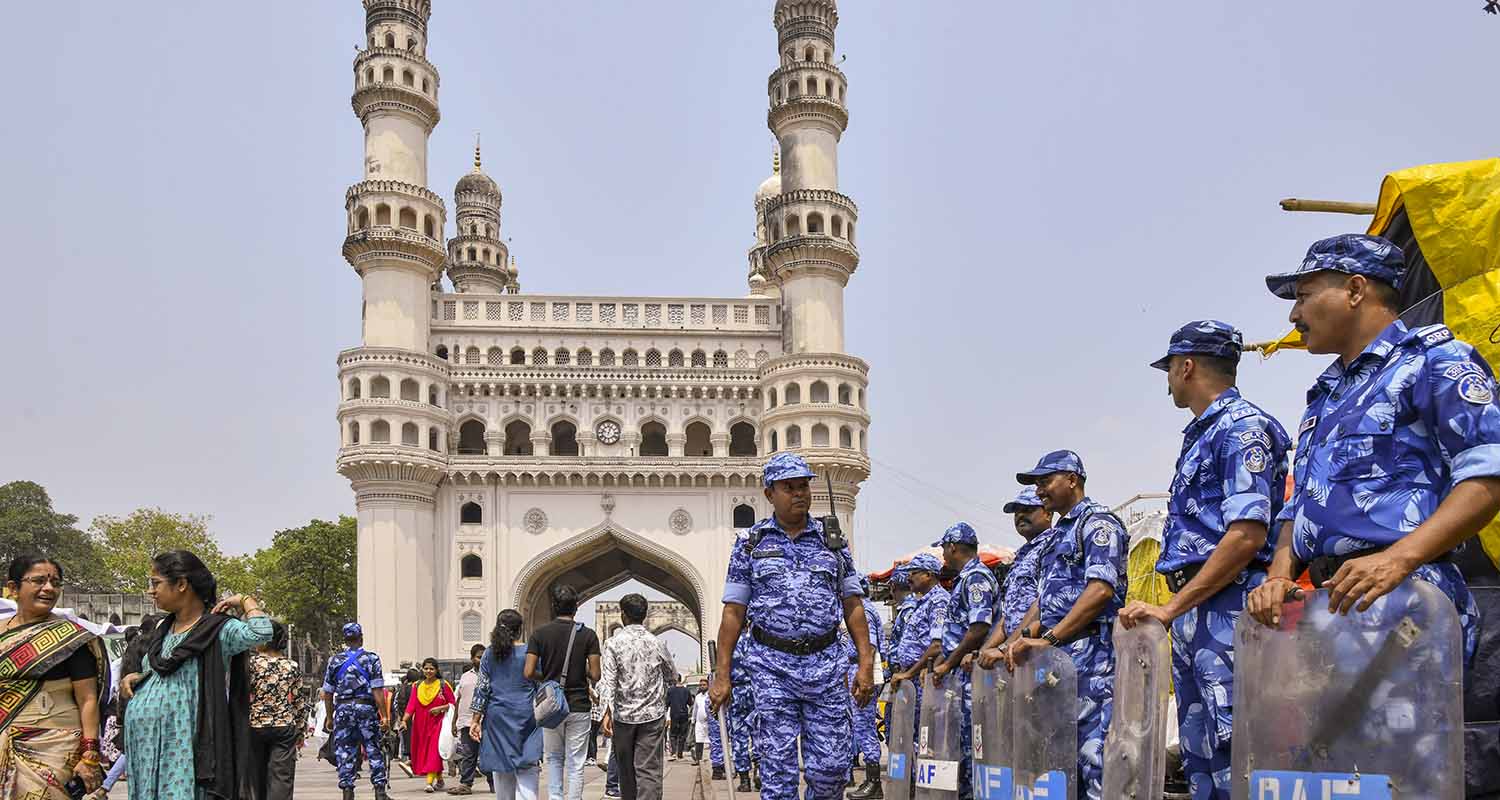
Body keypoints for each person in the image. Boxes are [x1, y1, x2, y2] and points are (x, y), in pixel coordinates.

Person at [1248, 235, 1500, 649]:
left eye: (1304, 295)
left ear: (1355, 290)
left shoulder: (1435, 362)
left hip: (1407, 600)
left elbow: (1487, 476)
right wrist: (1278, 576)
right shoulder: (1326, 396)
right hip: (1331, 607)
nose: (1294, 313)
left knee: (1401, 718)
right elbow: (1301, 506)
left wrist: (1397, 559)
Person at [1116, 320, 1292, 800]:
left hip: (1230, 604)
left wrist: (1171, 609)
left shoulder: (1241, 429)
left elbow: (1245, 534)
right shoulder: (1202, 434)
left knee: (1241, 748)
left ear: (1186, 366)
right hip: (1198, 606)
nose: (1169, 379)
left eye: (1170, 369)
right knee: (1201, 756)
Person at [712, 452, 875, 800]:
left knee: (832, 769)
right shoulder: (751, 544)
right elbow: (733, 614)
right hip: (771, 668)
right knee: (777, 772)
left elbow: (852, 604)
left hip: (826, 667)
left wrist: (866, 662)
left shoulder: (832, 541)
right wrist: (722, 674)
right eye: (790, 487)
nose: (800, 494)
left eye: (804, 486)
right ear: (770, 493)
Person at [1001, 451, 1128, 800]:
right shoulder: (1057, 537)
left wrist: (1050, 638)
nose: (1040, 491)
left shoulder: (1098, 523)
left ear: (1072, 479)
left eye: (1045, 481)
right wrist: (1022, 639)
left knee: (1095, 761)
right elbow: (1049, 603)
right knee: (1059, 761)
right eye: (1037, 484)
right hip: (1058, 662)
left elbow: (1100, 589)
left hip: (1093, 659)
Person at [120, 549, 273, 800]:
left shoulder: (218, 630)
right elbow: (159, 667)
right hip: (145, 745)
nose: (151, 591)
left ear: (181, 584)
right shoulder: (163, 628)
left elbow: (261, 632)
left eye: (156, 583)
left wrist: (245, 600)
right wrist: (135, 677)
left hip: (182, 743)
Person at [0, 554, 107, 799]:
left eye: (55, 583)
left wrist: (90, 754)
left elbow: (88, 699)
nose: (49, 588)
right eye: (38, 581)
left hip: (54, 748)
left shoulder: (70, 639)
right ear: (13, 588)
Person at [927, 523, 997, 800]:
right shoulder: (964, 580)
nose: (943, 555)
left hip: (976, 676)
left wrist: (947, 664)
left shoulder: (976, 577)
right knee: (962, 749)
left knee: (974, 748)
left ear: (953, 547)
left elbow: (978, 628)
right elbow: (956, 633)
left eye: (944, 548)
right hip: (962, 674)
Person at [524, 585, 602, 800]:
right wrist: (579, 669)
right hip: (578, 705)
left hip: (551, 706)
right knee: (576, 762)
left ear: (553, 606)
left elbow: (529, 671)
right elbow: (595, 675)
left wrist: (549, 679)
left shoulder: (539, 634)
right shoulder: (588, 635)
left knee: (555, 759)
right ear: (576, 608)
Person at [598, 593, 675, 800]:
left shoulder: (613, 644)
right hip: (652, 716)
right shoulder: (656, 643)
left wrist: (606, 712)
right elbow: (671, 675)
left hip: (624, 717)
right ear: (645, 614)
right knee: (648, 771)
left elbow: (609, 681)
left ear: (623, 615)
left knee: (626, 772)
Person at [469, 609, 543, 800]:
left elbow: (482, 689)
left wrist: (475, 720)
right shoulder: (530, 652)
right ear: (521, 629)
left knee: (502, 771)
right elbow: (541, 683)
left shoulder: (488, 654)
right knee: (527, 767)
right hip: (527, 716)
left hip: (497, 718)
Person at [322, 622, 392, 800]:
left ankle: (347, 791)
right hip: (366, 708)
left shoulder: (334, 660)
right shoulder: (372, 659)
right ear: (361, 638)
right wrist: (384, 716)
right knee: (373, 748)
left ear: (345, 639)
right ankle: (379, 791)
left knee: (345, 751)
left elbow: (328, 692)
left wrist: (330, 717)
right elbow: (377, 690)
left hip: (343, 709)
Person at [247, 619, 308, 800]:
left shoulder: (251, 664)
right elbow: (298, 701)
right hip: (284, 726)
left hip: (255, 725)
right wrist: (301, 729)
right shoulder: (291, 666)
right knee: (281, 777)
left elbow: (242, 696)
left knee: (255, 776)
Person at [844, 577, 885, 800]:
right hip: (853, 669)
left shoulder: (864, 611)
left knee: (864, 724)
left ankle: (874, 782)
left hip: (861, 671)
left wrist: (863, 673)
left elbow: (869, 646)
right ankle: (866, 779)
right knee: (856, 725)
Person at [404, 658, 456, 793]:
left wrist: (440, 708)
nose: (428, 671)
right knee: (426, 753)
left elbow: (453, 704)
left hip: (438, 724)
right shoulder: (417, 685)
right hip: (420, 725)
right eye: (426, 668)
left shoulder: (443, 685)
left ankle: (429, 782)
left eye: (431, 668)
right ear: (422, 669)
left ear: (437, 670)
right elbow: (411, 705)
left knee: (433, 750)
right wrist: (404, 720)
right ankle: (439, 779)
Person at [449, 643, 493, 795]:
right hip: (466, 722)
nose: (481, 660)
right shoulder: (465, 677)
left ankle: (494, 784)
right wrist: (454, 722)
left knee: (488, 754)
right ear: (472, 658)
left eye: (484, 657)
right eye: (479, 657)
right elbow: (458, 700)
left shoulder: (493, 675)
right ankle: (465, 784)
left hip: (487, 722)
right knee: (468, 755)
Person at [726, 634, 759, 792]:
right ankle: (760, 771)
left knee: (739, 736)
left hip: (737, 691)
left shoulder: (728, 642)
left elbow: (722, 669)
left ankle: (744, 779)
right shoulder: (757, 638)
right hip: (757, 690)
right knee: (759, 732)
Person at [664, 674, 692, 761]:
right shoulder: (686, 690)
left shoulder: (670, 690)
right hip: (684, 715)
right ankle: (680, 754)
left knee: (673, 734)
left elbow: (666, 704)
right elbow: (690, 703)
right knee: (682, 735)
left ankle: (673, 753)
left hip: (674, 714)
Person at [691, 678, 712, 765]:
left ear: (707, 686)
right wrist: (693, 719)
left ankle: (713, 760)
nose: (702, 686)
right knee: (698, 741)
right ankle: (698, 759)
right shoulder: (698, 697)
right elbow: (695, 709)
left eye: (704, 685)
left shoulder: (710, 695)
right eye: (701, 685)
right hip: (699, 723)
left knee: (711, 741)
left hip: (709, 722)